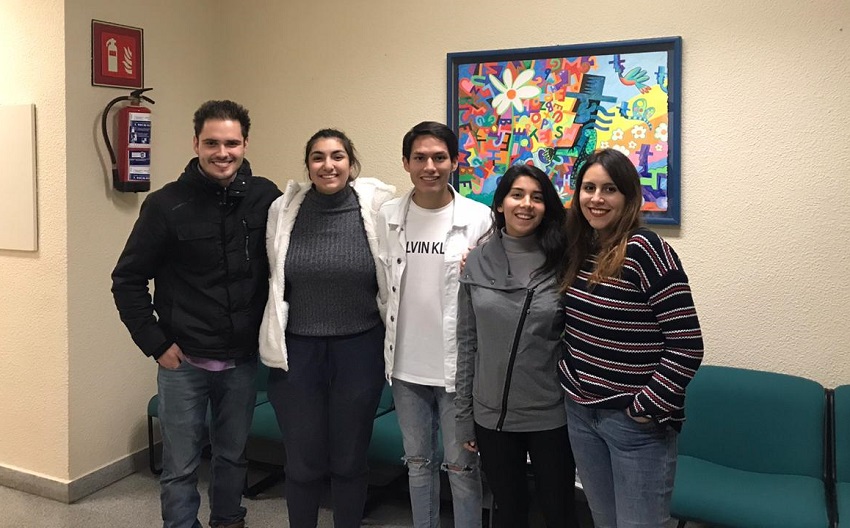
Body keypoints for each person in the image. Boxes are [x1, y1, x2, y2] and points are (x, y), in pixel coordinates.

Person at [112, 100, 281, 528]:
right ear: (195, 144)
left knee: (231, 456)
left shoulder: (266, 197)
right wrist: (156, 344)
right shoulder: (166, 205)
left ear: (245, 144)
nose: (222, 153)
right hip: (183, 361)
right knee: (181, 466)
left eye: (231, 143)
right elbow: (128, 280)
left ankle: (228, 521)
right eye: (211, 143)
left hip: (241, 362)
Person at [558, 148, 704, 528]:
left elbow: (687, 343)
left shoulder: (647, 249)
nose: (596, 198)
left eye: (609, 189)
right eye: (588, 188)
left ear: (628, 196)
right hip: (581, 415)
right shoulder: (581, 249)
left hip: (633, 425)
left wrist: (644, 406)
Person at [258, 129, 395, 528]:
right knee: (302, 462)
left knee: (350, 460)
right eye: (318, 157)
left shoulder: (379, 210)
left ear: (352, 164)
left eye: (337, 156)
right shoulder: (283, 211)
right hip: (297, 353)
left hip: (359, 350)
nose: (328, 165)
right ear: (308, 166)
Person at [377, 121, 491, 528]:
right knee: (418, 463)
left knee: (462, 468)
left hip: (457, 371)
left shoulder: (479, 218)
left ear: (455, 162)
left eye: (439, 157)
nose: (430, 166)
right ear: (406, 163)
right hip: (405, 367)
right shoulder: (388, 216)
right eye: (420, 157)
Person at [455, 164, 580, 528]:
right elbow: (466, 343)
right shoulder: (476, 259)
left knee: (559, 511)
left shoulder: (565, 260)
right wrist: (464, 418)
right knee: (508, 511)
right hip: (491, 416)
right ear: (499, 204)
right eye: (517, 195)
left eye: (537, 197)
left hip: (550, 415)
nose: (526, 204)